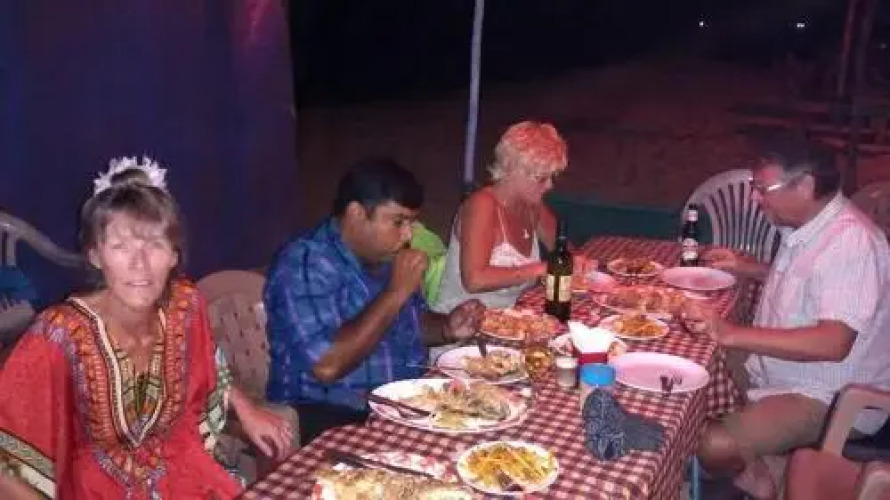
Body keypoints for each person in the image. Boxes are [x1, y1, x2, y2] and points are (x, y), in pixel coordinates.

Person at [0, 157, 293, 500]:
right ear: (95, 256)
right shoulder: (60, 335)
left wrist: (246, 409)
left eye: (154, 244)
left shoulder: (184, 306)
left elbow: (207, 358)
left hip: (182, 475)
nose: (139, 264)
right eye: (120, 246)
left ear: (173, 255)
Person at [687, 138, 890, 499]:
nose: (755, 198)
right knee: (695, 347)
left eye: (763, 188)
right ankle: (760, 456)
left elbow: (834, 342)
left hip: (826, 395)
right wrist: (750, 269)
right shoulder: (809, 224)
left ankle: (760, 476)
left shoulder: (852, 243)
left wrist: (731, 333)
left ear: (806, 185)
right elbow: (813, 281)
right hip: (780, 369)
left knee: (711, 444)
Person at [264, 157, 484, 444]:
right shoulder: (303, 264)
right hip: (331, 415)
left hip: (402, 402)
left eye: (412, 222)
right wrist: (395, 292)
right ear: (356, 214)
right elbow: (326, 365)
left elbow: (411, 325)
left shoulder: (385, 256)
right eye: (398, 222)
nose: (408, 235)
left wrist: (447, 328)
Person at [433, 120, 585, 314]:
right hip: (462, 321)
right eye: (541, 178)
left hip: (512, 318)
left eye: (551, 177)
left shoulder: (533, 205)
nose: (549, 186)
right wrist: (541, 269)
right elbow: (475, 280)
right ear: (513, 171)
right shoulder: (482, 205)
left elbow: (563, 250)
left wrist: (578, 262)